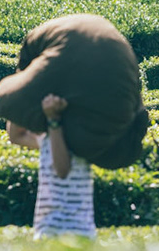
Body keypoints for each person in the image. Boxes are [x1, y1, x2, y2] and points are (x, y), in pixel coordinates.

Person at [6, 93, 96, 238]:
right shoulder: (47, 139)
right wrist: (26, 93)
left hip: (75, 232)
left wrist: (53, 120)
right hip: (47, 229)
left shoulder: (80, 139)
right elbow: (16, 136)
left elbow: (62, 170)